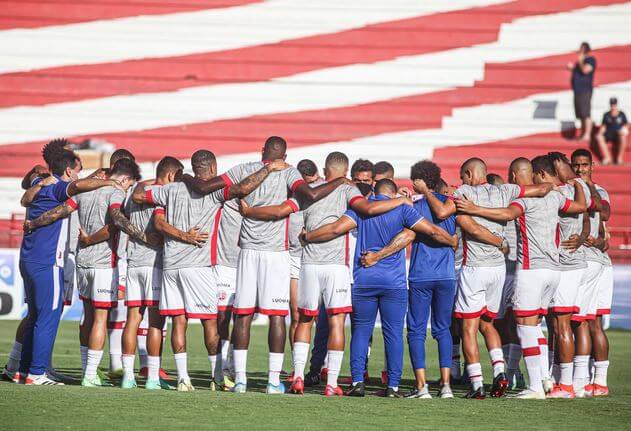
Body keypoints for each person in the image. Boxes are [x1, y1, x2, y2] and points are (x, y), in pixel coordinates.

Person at [240, 152, 410, 396]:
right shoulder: (347, 190)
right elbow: (369, 210)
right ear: (345, 170)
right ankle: (331, 383)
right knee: (336, 321)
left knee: (305, 320)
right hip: (335, 266)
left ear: (325, 169)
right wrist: (400, 201)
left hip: (309, 264)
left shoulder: (308, 192)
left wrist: (250, 212)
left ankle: (298, 376)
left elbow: (279, 211)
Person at [133, 150, 287, 391]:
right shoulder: (216, 193)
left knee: (178, 321)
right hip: (199, 266)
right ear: (213, 170)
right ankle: (217, 376)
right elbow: (242, 189)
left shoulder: (169, 190)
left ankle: (183, 379)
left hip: (171, 266)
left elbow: (139, 195)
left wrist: (169, 180)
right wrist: (267, 169)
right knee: (210, 323)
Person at [302, 179, 457, 397]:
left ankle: (357, 382)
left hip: (364, 279)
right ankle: (392, 386)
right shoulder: (403, 209)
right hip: (394, 283)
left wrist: (308, 236)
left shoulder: (361, 210)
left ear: (374, 192)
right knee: (393, 333)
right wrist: (451, 240)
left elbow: (335, 229)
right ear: (394, 193)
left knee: (361, 331)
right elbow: (431, 231)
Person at [417, 157, 551, 398]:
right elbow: (542, 188)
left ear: (468, 174)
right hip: (498, 269)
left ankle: (477, 384)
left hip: (474, 267)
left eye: (462, 176)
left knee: (468, 327)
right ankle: (500, 371)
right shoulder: (505, 190)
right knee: (488, 323)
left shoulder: (465, 192)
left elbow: (441, 211)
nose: (461, 181)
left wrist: (426, 191)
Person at [456, 155, 586, 399]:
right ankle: (547, 379)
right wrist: (577, 182)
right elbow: (580, 207)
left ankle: (535, 386)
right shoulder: (556, 196)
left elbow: (505, 215)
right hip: (555, 270)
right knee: (536, 326)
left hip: (531, 269)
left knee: (525, 326)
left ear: (514, 176)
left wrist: (475, 209)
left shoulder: (522, 200)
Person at [19, 150, 125, 385]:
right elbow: (76, 187)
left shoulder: (39, 183)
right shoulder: (58, 189)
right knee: (48, 316)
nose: (79, 175)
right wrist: (108, 181)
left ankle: (22, 369)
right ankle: (37, 373)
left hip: (28, 258)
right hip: (48, 262)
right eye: (77, 170)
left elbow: (26, 189)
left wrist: (40, 178)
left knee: (35, 315)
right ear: (68, 171)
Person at [120, 156, 187, 390]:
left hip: (133, 261)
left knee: (132, 320)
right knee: (156, 324)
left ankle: (127, 377)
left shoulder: (136, 192)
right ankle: (151, 378)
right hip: (155, 262)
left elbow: (126, 220)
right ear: (171, 175)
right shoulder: (165, 194)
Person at [570, 148, 613, 397]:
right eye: (576, 165)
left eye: (584, 165)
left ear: (592, 166)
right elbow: (604, 235)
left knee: (581, 321)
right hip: (596, 260)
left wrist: (588, 187)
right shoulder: (570, 188)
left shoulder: (599, 191)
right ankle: (598, 382)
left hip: (589, 263)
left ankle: (583, 381)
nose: (579, 169)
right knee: (590, 322)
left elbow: (605, 213)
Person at [286, 159, 322, 383]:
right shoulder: (289, 194)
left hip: (318, 258)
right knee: (297, 315)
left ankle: (319, 367)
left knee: (321, 318)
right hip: (294, 258)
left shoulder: (324, 191)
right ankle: (296, 367)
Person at [568, 42, 596, 140]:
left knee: (585, 113)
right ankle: (583, 133)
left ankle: (587, 134)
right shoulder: (581, 61)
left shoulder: (590, 60)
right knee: (580, 114)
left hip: (585, 90)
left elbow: (585, 70)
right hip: (577, 90)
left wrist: (580, 60)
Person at [595, 97, 628, 165]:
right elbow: (603, 127)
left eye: (614, 104)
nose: (613, 106)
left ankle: (619, 158)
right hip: (609, 134)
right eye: (611, 104)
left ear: (616, 104)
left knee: (623, 137)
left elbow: (626, 124)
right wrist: (599, 133)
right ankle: (607, 158)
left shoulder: (622, 114)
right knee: (599, 136)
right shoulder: (606, 115)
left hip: (618, 134)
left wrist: (623, 130)